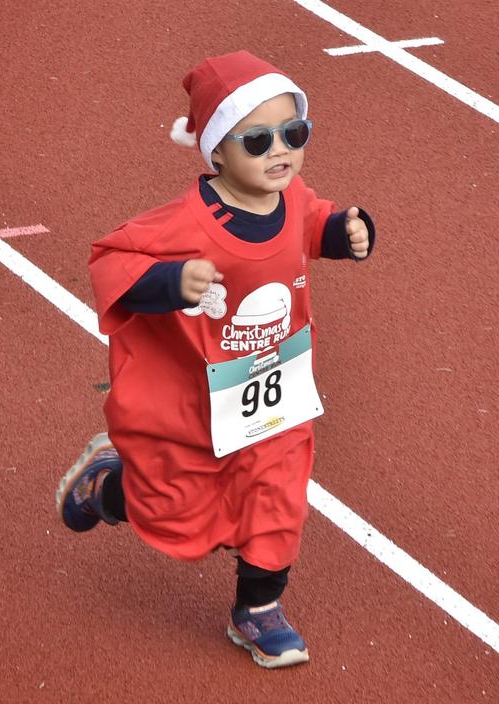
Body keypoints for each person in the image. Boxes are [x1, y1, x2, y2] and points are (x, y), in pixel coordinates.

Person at [55, 50, 374, 669]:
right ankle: (110, 486)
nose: (280, 149)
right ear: (217, 152)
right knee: (172, 510)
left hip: (274, 396)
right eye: (258, 140)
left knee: (278, 499)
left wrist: (346, 234)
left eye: (294, 133)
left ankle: (258, 611)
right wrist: (171, 282)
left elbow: (311, 223)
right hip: (194, 404)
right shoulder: (185, 223)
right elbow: (111, 261)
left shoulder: (292, 196)